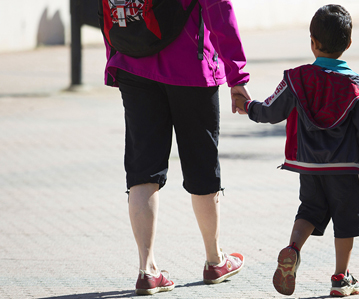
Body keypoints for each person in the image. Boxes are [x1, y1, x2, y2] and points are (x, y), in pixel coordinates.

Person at [101, 0, 251, 295]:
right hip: (191, 68)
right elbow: (220, 11)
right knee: (202, 167)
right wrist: (237, 77)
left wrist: (116, 55)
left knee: (142, 171)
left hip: (133, 64)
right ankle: (215, 260)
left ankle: (147, 270)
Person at [234, 4, 359, 297]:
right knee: (346, 220)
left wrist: (247, 107)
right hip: (345, 167)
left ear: (312, 42)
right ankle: (341, 278)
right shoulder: (355, 84)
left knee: (310, 209)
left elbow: (271, 110)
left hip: (309, 165)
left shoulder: (297, 78)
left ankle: (292, 249)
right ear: (348, 44)